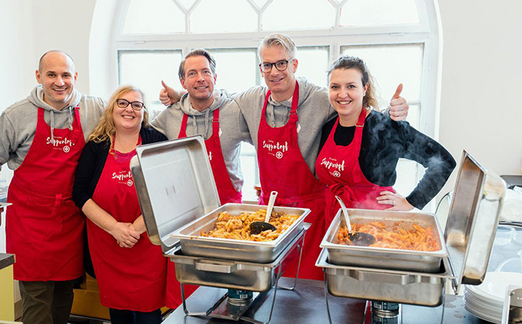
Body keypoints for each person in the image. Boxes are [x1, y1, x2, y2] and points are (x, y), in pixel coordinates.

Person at [161, 34, 409, 280]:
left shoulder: (321, 98)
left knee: (308, 294)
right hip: (269, 216)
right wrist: (180, 98)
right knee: (271, 291)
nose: (274, 71)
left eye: (281, 63)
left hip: (310, 216)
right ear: (261, 68)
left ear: (294, 65)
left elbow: (356, 110)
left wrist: (391, 112)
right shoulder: (250, 100)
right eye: (267, 65)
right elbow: (216, 99)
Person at [0, 50, 106, 324]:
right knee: (36, 300)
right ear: (39, 77)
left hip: (71, 220)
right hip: (30, 222)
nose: (60, 82)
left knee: (63, 295)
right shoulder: (16, 116)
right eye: (52, 75)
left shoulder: (94, 108)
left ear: (75, 77)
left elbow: (131, 116)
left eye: (66, 75)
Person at [316, 56, 456, 223]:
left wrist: (411, 201)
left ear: (365, 88)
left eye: (351, 86)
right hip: (333, 222)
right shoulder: (327, 127)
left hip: (377, 225)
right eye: (335, 87)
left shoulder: (386, 128)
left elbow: (443, 162)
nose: (342, 94)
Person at [72, 85, 169, 324]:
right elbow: (80, 193)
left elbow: (167, 192)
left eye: (137, 105)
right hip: (108, 243)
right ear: (112, 108)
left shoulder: (157, 141)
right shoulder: (97, 145)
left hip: (147, 244)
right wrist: (115, 228)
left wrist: (134, 229)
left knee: (149, 314)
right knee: (119, 314)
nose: (129, 109)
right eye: (122, 103)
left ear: (144, 112)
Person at [152, 49, 251, 204]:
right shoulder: (170, 115)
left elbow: (263, 138)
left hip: (229, 211)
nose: (200, 79)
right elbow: (140, 133)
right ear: (183, 82)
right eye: (192, 73)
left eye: (205, 72)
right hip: (184, 209)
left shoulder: (235, 110)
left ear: (215, 77)